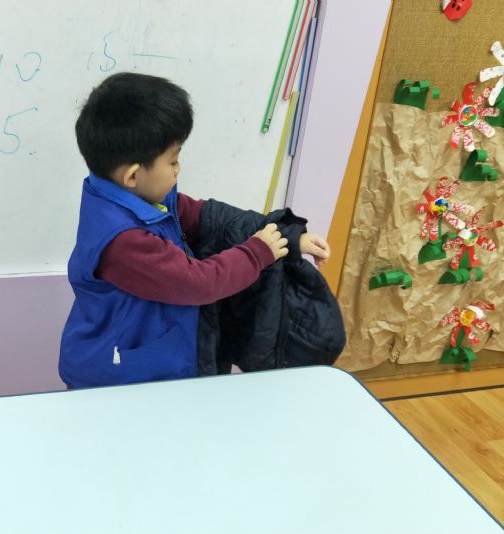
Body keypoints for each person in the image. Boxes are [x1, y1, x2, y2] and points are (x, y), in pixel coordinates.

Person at [59, 72, 331, 388]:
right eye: (173, 161)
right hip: (119, 379)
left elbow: (210, 218)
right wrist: (257, 253)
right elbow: (197, 282)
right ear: (132, 176)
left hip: (152, 365)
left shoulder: (138, 196)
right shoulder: (124, 243)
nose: (178, 169)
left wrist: (286, 235)